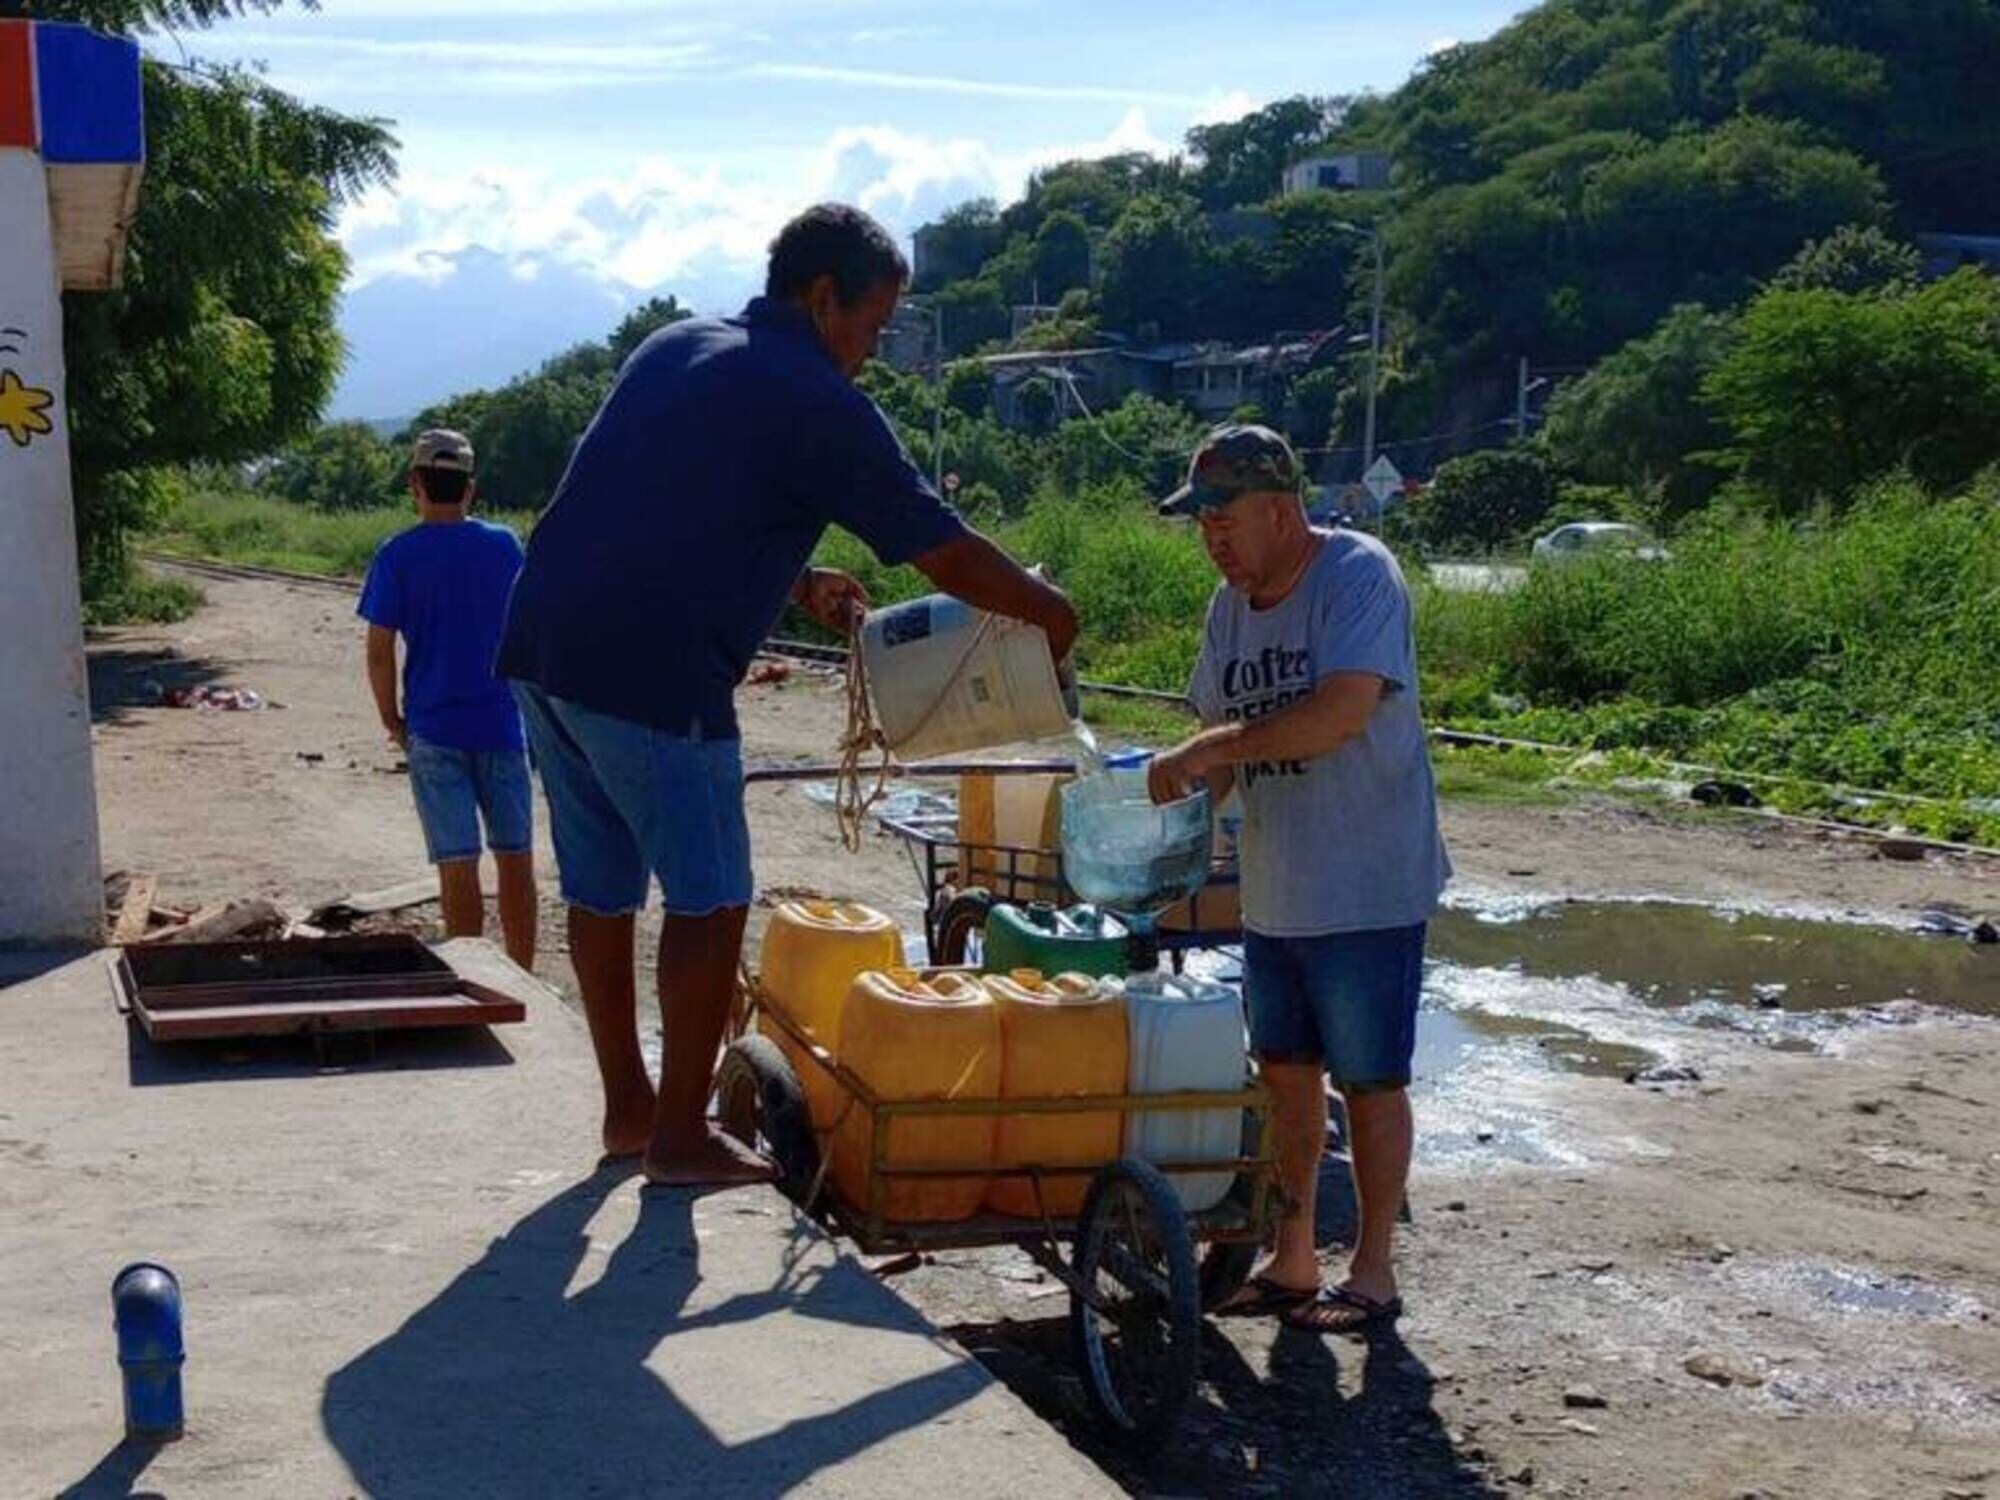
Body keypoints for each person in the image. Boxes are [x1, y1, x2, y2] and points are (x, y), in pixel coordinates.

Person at [497, 203, 1077, 1188]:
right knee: (714, 900)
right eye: (874, 324)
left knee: (599, 892)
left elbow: (665, 501)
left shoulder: (677, 343)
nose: (874, 349)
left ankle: (630, 1114)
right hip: (654, 668)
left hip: (543, 644)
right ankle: (679, 1137)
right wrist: (1049, 614)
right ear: (822, 298)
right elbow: (939, 547)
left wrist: (800, 584)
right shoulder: (816, 396)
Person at [1147, 424, 1449, 1335]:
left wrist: (1214, 748)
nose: (1212, 536)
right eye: (1198, 520)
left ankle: (1375, 1272)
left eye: (1223, 515)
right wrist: (1166, 836)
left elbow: (1342, 713)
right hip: (1278, 889)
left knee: (1368, 1080)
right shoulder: (1226, 610)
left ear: (1281, 510)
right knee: (1285, 1076)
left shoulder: (1358, 574)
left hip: (1367, 882)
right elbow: (1220, 757)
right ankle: (1292, 1257)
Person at [359, 429, 537, 970]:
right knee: (515, 859)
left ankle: (472, 978)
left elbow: (379, 651)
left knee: (457, 865)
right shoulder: (504, 546)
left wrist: (392, 719)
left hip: (433, 729)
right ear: (470, 488)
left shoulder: (398, 555)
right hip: (503, 725)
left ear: (415, 484)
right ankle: (522, 976)